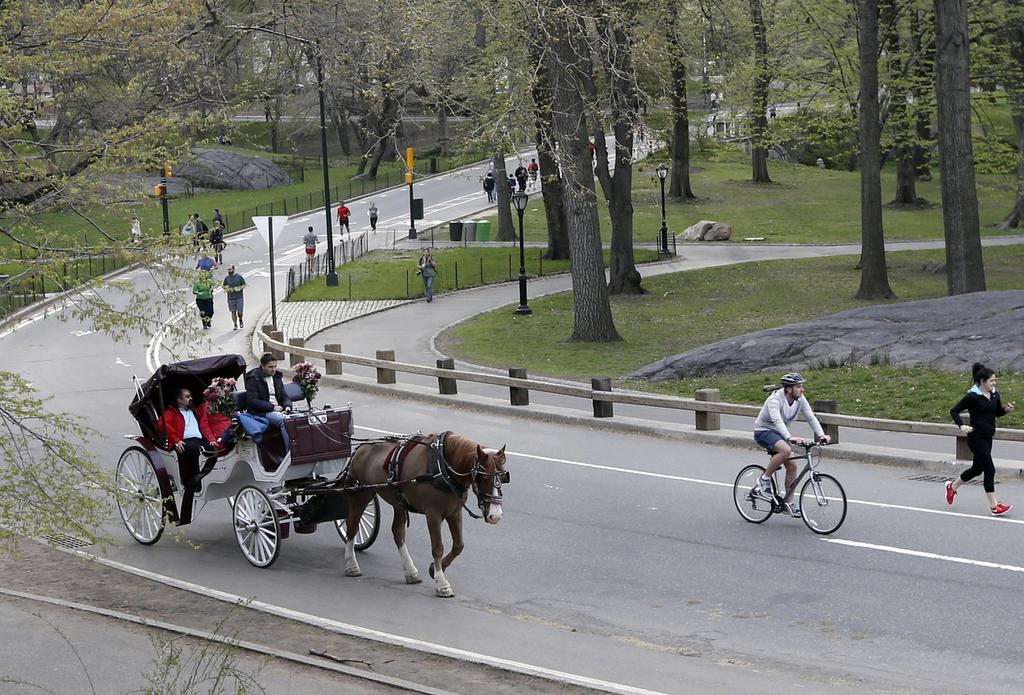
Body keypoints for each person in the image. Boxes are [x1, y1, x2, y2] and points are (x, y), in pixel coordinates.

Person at [752, 373, 830, 518]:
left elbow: (810, 416)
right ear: (788, 389)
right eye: (799, 386)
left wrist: (821, 435)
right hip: (764, 431)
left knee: (793, 465)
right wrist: (789, 437)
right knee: (786, 450)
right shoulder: (774, 400)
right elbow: (777, 422)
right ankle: (764, 479)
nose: (803, 389)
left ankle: (788, 503)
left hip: (780, 434)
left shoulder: (800, 399)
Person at [947, 363, 1016, 516]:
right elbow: (954, 411)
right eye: (992, 381)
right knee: (989, 469)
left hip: (988, 436)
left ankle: (952, 486)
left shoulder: (995, 395)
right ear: (983, 381)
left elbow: (996, 412)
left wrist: (1005, 409)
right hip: (975, 437)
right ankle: (994, 506)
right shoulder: (973, 396)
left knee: (977, 469)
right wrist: (961, 426)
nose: (994, 383)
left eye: (995, 380)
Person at [156, 387, 218, 508]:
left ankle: (211, 481)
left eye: (190, 396)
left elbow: (204, 427)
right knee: (195, 451)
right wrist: (176, 440)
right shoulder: (171, 412)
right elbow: (162, 424)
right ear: (179, 399)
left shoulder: (194, 411)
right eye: (187, 397)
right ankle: (195, 484)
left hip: (199, 440)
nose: (191, 399)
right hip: (184, 442)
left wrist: (212, 440)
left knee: (214, 450)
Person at [245, 353, 292, 451]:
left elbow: (284, 395)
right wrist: (272, 407)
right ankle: (290, 452)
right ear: (262, 366)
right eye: (270, 367)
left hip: (279, 410)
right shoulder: (253, 378)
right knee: (285, 422)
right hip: (262, 412)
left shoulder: (277, 376)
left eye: (275, 366)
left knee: (300, 419)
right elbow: (252, 401)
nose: (273, 369)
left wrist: (287, 405)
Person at [222, 265, 246, 330]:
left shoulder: (239, 277)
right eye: (228, 270)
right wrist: (226, 288)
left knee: (240, 312)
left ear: (234, 269)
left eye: (230, 269)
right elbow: (223, 285)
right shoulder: (227, 278)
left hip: (239, 297)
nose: (229, 271)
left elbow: (244, 284)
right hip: (231, 298)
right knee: (233, 312)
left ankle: (240, 320)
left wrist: (240, 288)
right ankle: (235, 324)